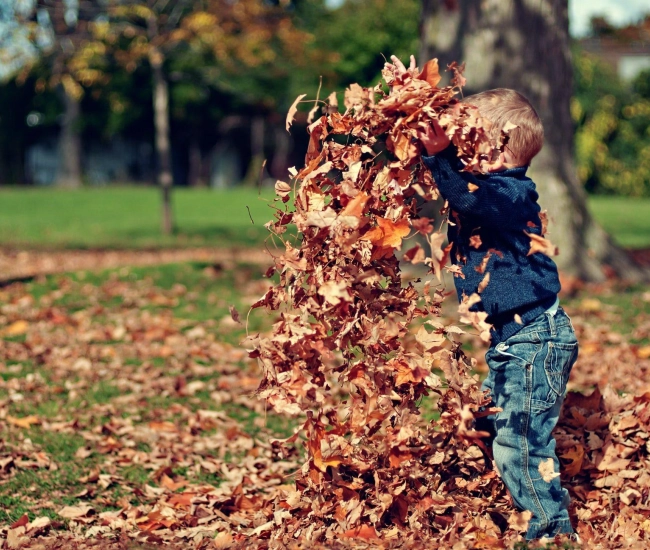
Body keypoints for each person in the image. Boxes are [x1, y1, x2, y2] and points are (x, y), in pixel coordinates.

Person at [418, 87, 579, 541]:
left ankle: (551, 530)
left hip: (535, 341)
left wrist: (440, 158)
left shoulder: (511, 194)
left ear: (497, 149)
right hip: (514, 342)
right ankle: (504, 496)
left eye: (469, 144)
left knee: (521, 445)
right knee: (488, 419)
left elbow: (469, 198)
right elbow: (461, 192)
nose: (461, 153)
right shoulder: (491, 190)